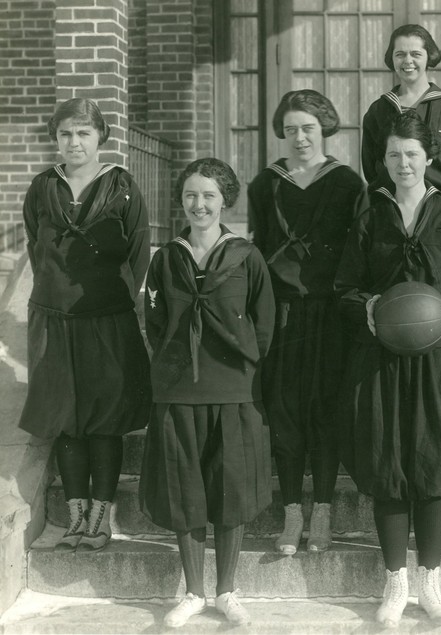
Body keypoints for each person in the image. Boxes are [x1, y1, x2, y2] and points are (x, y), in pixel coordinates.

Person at [335, 111, 441, 627]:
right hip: (380, 361)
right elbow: (345, 289)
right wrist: (370, 308)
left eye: (412, 155)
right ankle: (395, 578)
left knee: (433, 464)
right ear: (383, 159)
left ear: (430, 158)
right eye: (394, 155)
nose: (403, 163)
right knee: (388, 465)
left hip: (439, 363)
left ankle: (431, 579)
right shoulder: (368, 214)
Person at [139, 158, 275, 628]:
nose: (199, 204)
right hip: (178, 391)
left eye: (209, 196)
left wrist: (242, 368)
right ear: (182, 201)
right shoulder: (166, 257)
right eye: (191, 195)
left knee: (230, 490)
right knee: (185, 490)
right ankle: (194, 592)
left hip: (234, 389)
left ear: (226, 201)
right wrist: (177, 366)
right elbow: (154, 323)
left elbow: (265, 322)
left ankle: (226, 591)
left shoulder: (246, 256)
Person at [19, 97, 151, 553]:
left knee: (104, 422)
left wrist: (125, 304)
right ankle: (75, 518)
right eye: (65, 134)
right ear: (55, 138)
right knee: (66, 421)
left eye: (83, 133)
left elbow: (138, 251)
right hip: (55, 322)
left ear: (100, 138)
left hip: (107, 321)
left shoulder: (122, 185)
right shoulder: (42, 187)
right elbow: (37, 246)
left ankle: (101, 517)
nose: (74, 142)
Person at [248, 90, 366, 555]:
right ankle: (292, 512)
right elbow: (259, 248)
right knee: (286, 413)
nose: (299, 137)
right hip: (282, 314)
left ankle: (323, 511)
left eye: (309, 129)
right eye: (292, 129)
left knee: (325, 412)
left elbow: (356, 251)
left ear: (324, 130)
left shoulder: (346, 184)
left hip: (330, 315)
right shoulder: (266, 184)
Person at [361, 23, 441, 194]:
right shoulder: (378, 110)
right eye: (400, 54)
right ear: (392, 58)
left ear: (429, 57)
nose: (407, 61)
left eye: (416, 54)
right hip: (391, 204)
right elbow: (371, 167)